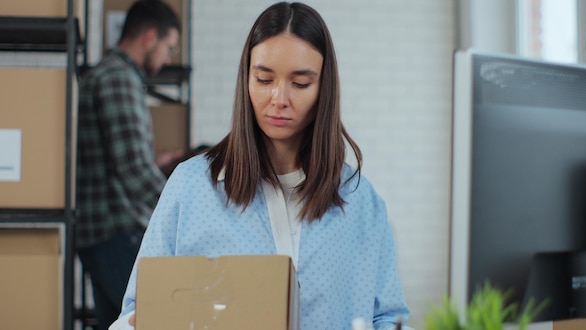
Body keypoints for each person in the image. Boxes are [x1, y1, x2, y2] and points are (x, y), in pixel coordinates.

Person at [113, 2, 412, 329]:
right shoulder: (191, 187)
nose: (279, 98)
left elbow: (388, 318)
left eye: (300, 83)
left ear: (325, 88)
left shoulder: (362, 203)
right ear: (246, 80)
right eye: (264, 79)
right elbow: (136, 313)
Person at [75, 0, 181, 328]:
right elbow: (134, 170)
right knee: (150, 320)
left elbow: (120, 158)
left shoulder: (107, 74)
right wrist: (180, 212)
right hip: (116, 230)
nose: (167, 59)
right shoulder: (119, 78)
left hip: (102, 231)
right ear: (149, 38)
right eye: (168, 48)